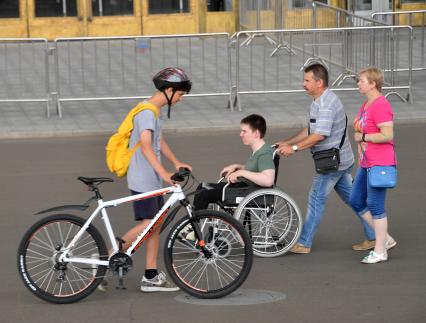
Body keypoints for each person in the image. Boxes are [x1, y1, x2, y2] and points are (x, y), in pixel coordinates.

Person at [276, 62, 374, 254]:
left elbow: (320, 134)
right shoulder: (320, 100)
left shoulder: (327, 105)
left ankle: (304, 242)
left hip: (333, 164)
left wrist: (294, 148)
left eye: (307, 80)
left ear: (319, 82)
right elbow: (311, 129)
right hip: (342, 160)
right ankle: (377, 235)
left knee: (315, 199)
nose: (303, 84)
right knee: (354, 199)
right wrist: (287, 142)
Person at [116, 67, 193, 292]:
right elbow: (147, 145)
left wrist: (176, 162)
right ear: (168, 89)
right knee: (148, 223)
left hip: (150, 176)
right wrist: (164, 173)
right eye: (179, 94)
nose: (180, 99)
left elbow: (159, 141)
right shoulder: (147, 113)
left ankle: (150, 274)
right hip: (143, 177)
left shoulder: (153, 111)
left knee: (155, 225)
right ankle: (107, 257)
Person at [349, 67, 397, 264]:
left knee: (376, 205)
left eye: (361, 80)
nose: (358, 84)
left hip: (380, 162)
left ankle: (380, 251)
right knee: (355, 199)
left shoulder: (381, 105)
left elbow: (388, 135)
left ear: (372, 84)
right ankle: (385, 238)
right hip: (367, 162)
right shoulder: (366, 104)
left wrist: (364, 137)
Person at [193, 114, 275, 211]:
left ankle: (193, 223)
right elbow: (255, 169)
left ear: (256, 133)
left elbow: (268, 180)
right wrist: (237, 167)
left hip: (247, 192)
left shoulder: (264, 154)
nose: (241, 134)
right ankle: (194, 221)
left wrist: (241, 172)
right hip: (245, 188)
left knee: (204, 194)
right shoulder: (259, 151)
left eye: (244, 131)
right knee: (202, 187)